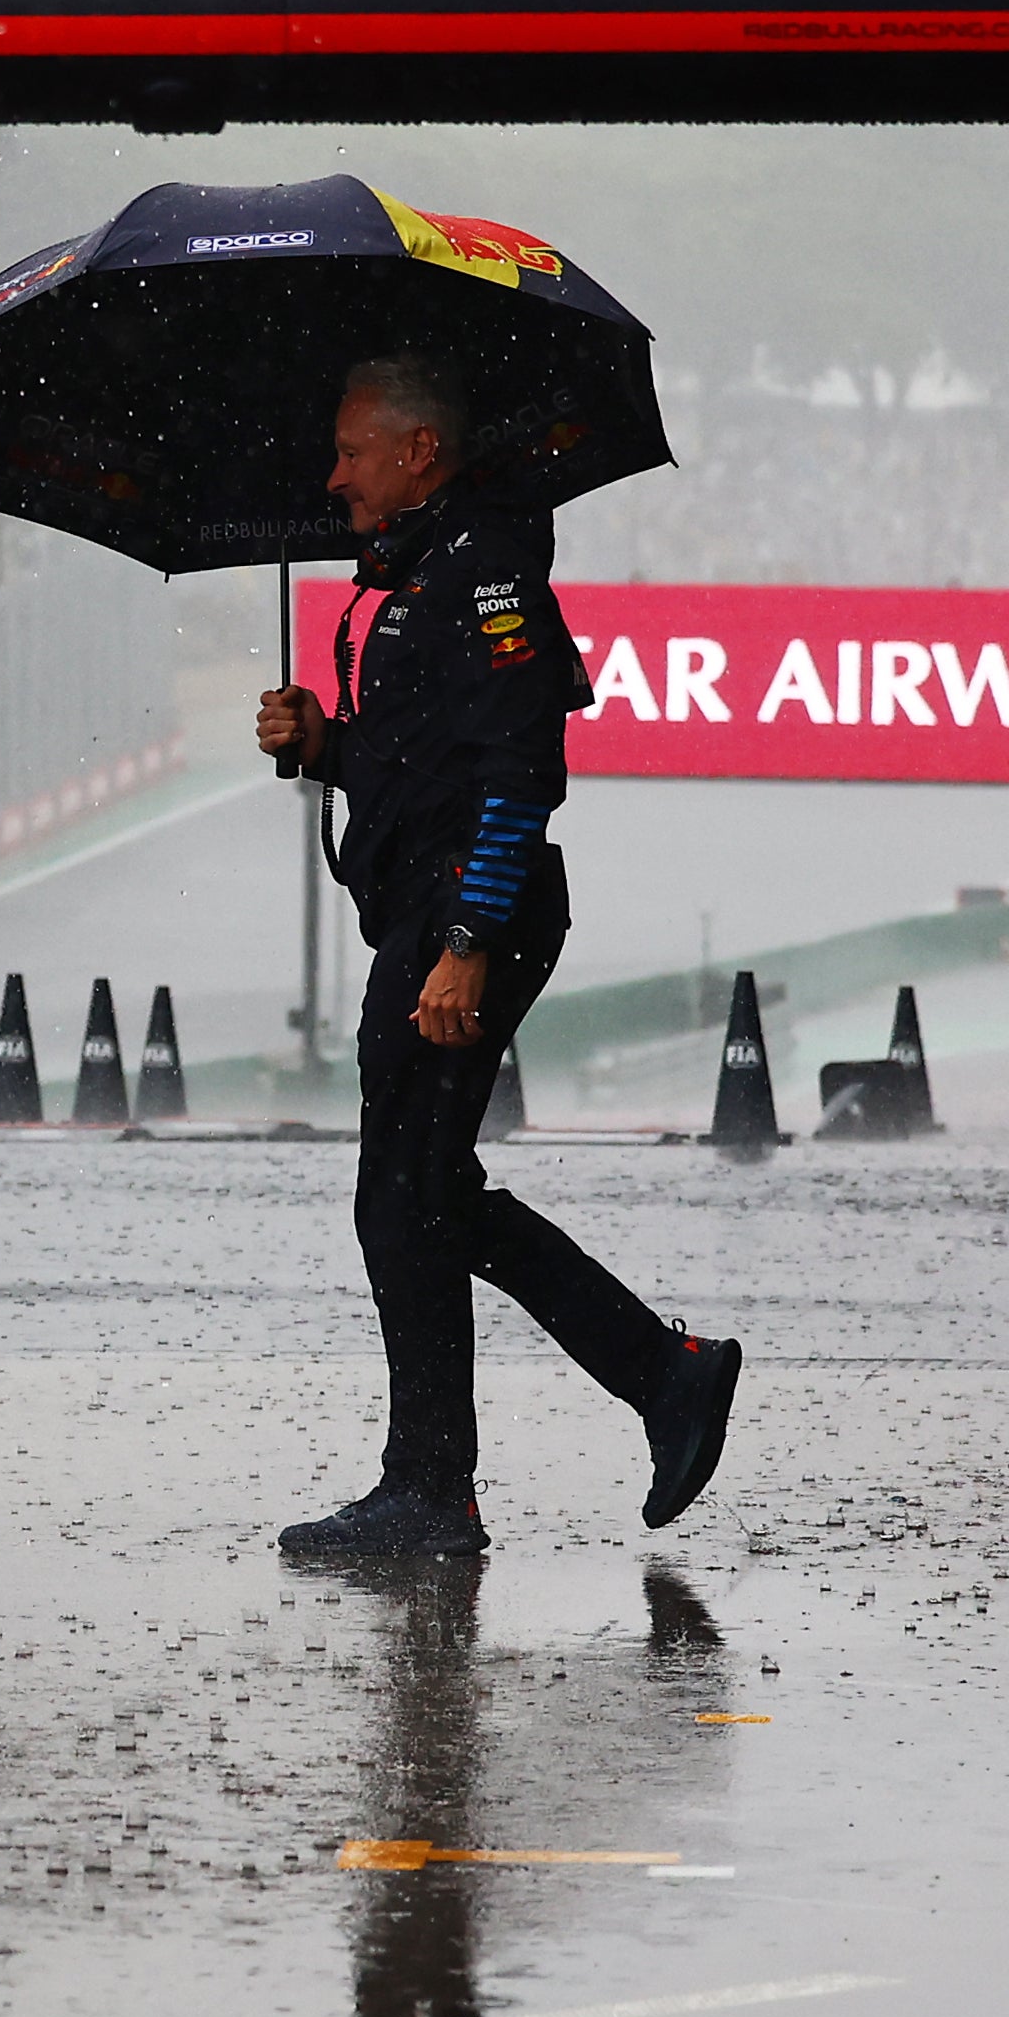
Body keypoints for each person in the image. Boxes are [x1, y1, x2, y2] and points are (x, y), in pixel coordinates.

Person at [253, 348, 742, 1562]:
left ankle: (454, 1479)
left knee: (409, 1199)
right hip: (422, 914)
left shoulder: (486, 568)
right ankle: (630, 1388)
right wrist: (324, 743)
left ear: (419, 450)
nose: (335, 474)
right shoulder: (413, 565)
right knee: (411, 1201)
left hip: (472, 917)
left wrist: (465, 944)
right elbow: (420, 762)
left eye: (354, 450)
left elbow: (518, 775)